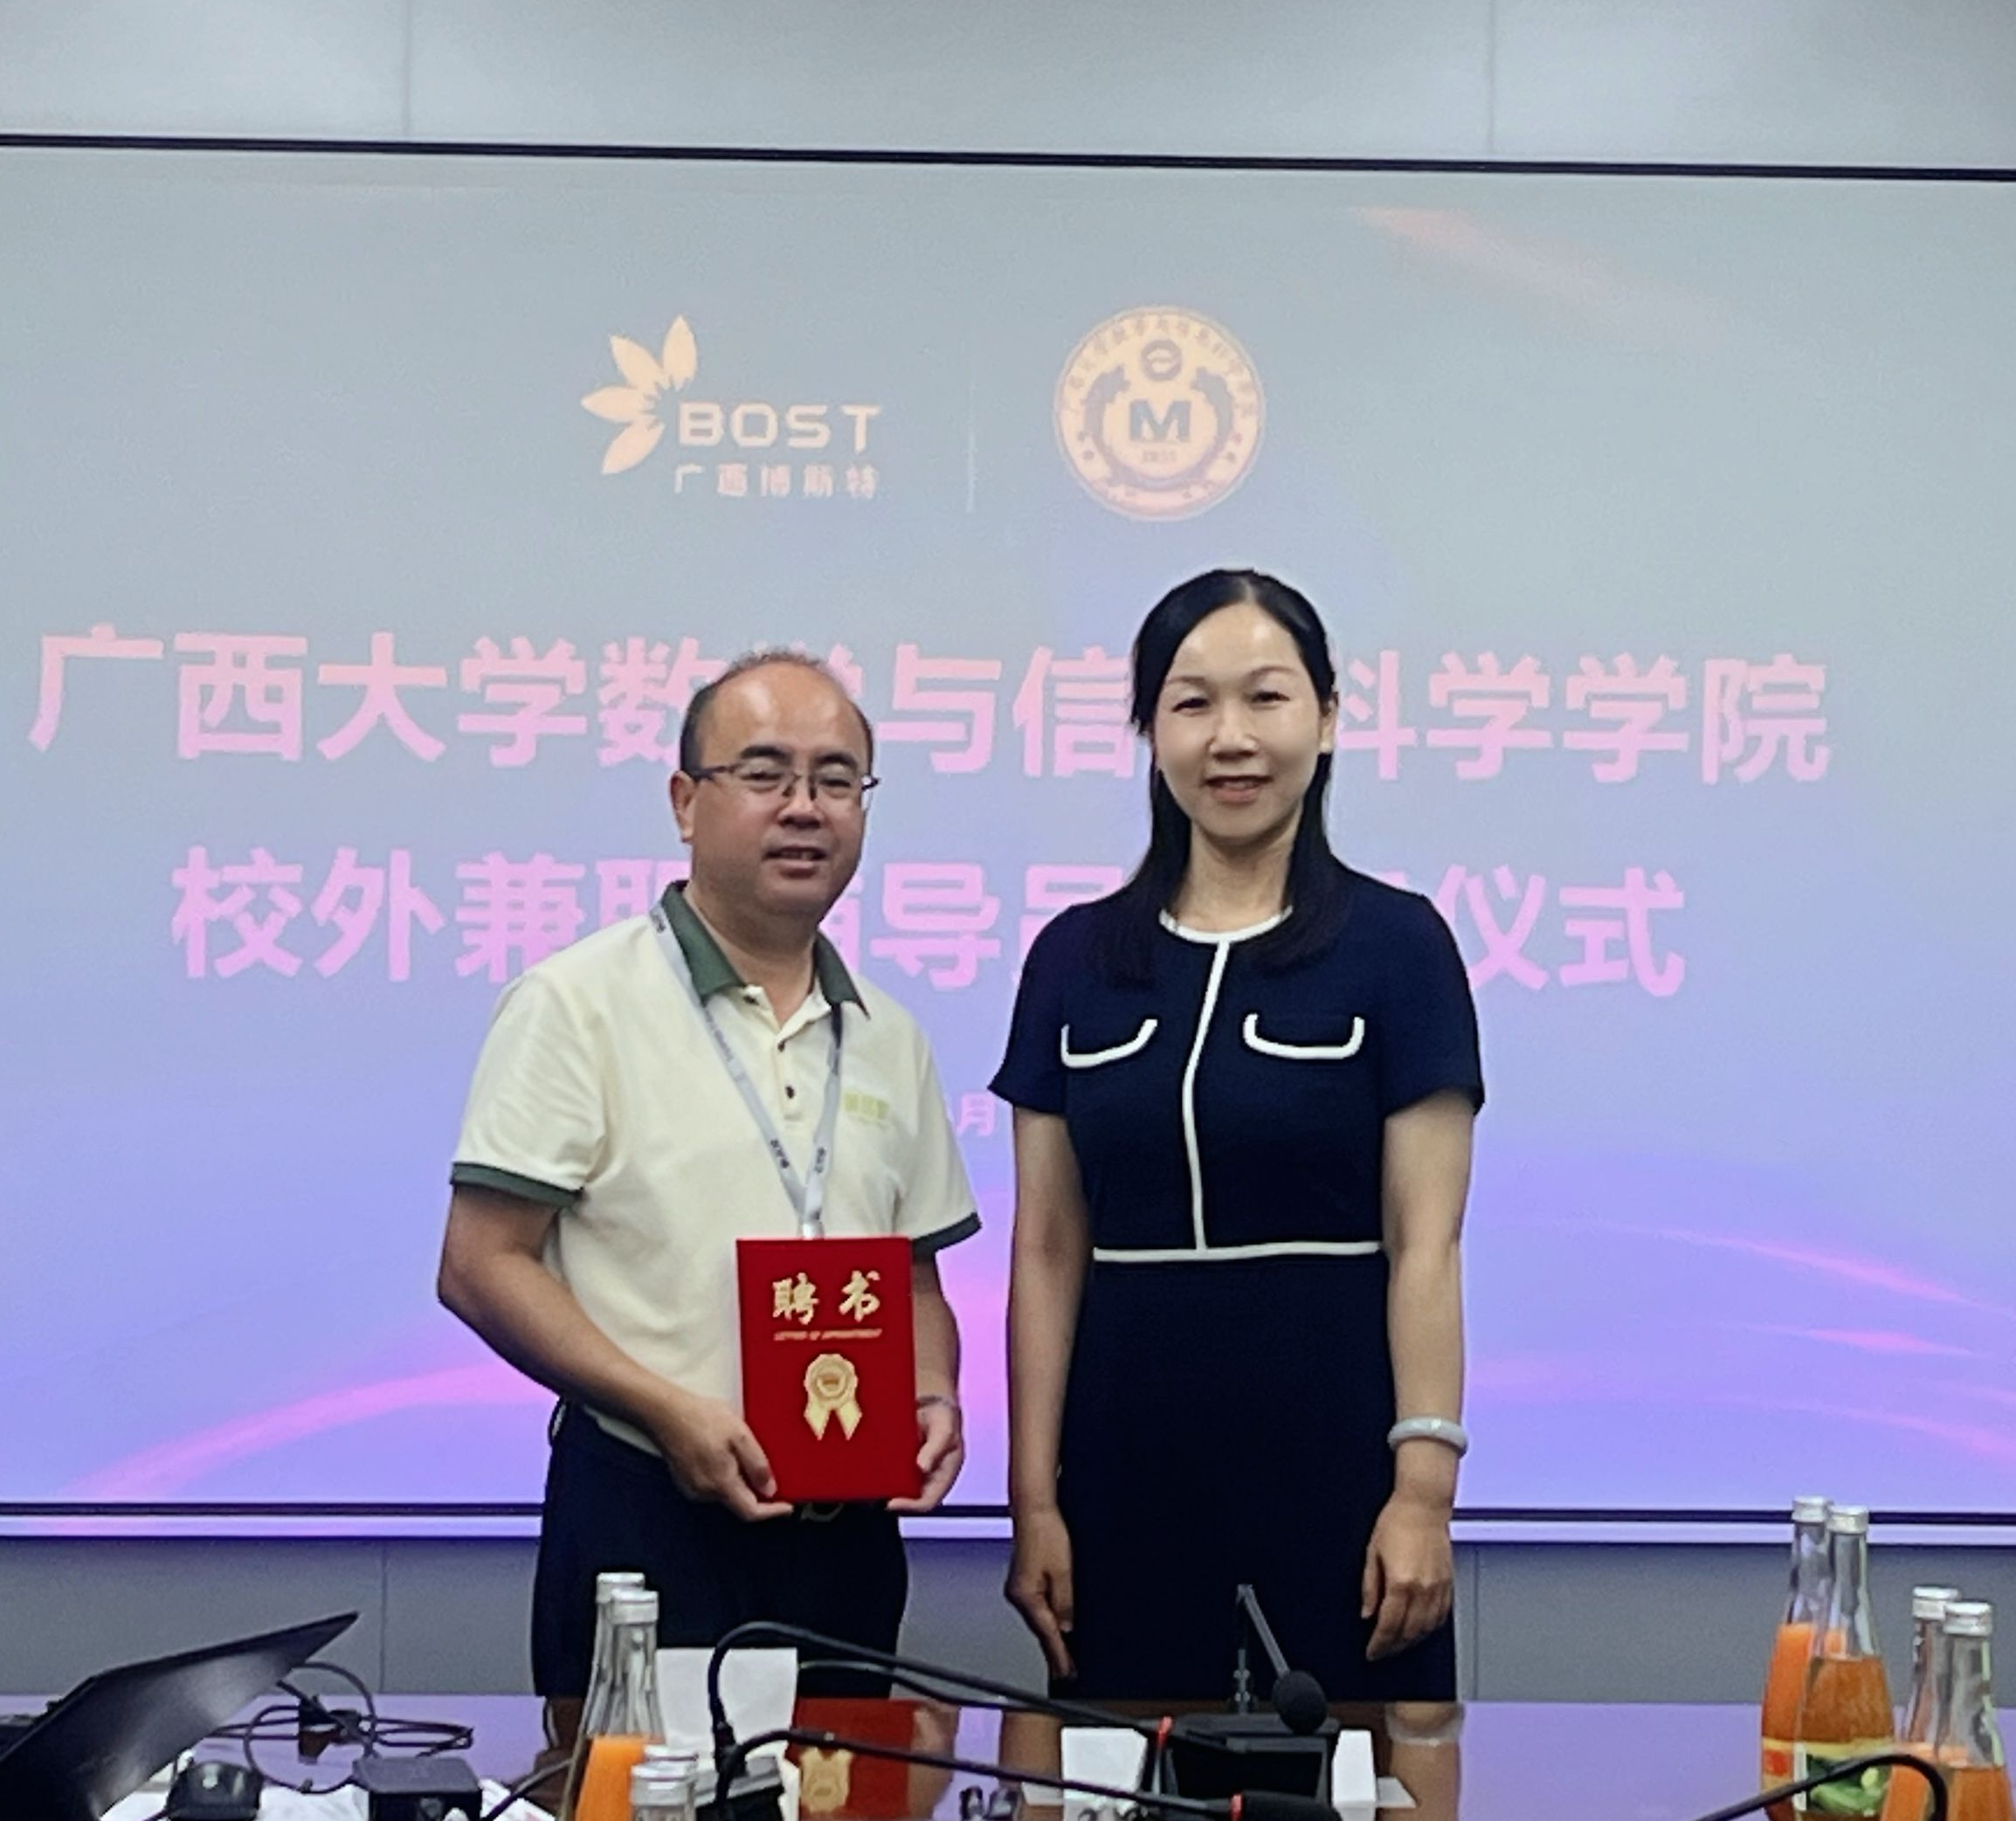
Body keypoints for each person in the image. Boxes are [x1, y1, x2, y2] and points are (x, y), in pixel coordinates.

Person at [438, 648, 980, 1697]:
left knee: (844, 1780)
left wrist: (932, 1390)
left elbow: (915, 1280)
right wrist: (663, 1408)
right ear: (686, 801)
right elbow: (480, 1264)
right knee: (632, 1778)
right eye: (765, 773)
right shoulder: (578, 1002)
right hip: (648, 1503)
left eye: (836, 779)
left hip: (847, 1527)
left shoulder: (889, 1034)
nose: (805, 807)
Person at [995, 569, 1481, 1700]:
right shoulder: (1074, 958)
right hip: (1125, 1469)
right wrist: (1034, 1500)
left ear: (1328, 716)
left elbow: (1427, 1242)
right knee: (1119, 1764)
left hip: (1339, 1467)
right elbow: (1048, 1248)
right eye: (1191, 702)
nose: (1231, 738)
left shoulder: (1399, 947)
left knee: (1362, 1768)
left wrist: (1423, 1491)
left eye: (1266, 697)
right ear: (1149, 729)